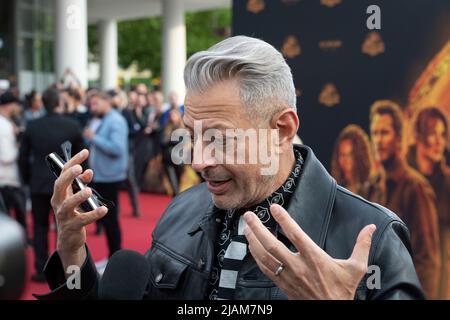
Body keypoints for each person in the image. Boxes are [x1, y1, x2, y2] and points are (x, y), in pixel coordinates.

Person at [39, 36, 422, 300]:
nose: (199, 160)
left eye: (220, 139)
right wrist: (73, 257)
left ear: (282, 129)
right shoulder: (180, 210)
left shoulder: (372, 240)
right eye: (191, 135)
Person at [369, 100, 441, 299]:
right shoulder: (373, 186)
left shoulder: (416, 188)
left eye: (384, 133)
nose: (378, 140)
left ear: (399, 138)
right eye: (374, 133)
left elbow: (427, 262)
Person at [19, 87, 84, 282]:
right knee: (66, 227)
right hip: (64, 184)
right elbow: (82, 158)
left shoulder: (32, 125)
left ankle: (41, 269)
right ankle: (67, 270)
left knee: (39, 227)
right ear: (59, 103)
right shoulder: (72, 125)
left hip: (38, 184)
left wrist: (28, 179)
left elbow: (22, 157)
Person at [407, 106, 450, 299]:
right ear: (418, 136)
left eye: (443, 134)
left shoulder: (447, 183)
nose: (440, 142)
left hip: (439, 280)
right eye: (433, 134)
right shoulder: (403, 180)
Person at [82, 90, 128, 257]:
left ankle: (114, 257)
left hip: (110, 177)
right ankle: (113, 256)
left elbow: (117, 149)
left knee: (110, 220)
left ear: (106, 102)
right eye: (91, 104)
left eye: (95, 104)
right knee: (107, 219)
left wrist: (94, 137)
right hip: (102, 175)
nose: (92, 107)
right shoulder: (103, 119)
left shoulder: (116, 121)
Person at [0, 91, 27, 234]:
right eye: (16, 104)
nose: (18, 108)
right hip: (7, 179)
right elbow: (6, 156)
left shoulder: (6, 123)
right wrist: (19, 147)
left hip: (7, 179)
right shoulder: (3, 125)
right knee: (12, 218)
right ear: (9, 106)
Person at [331, 124, 374, 198]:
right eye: (342, 154)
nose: (345, 160)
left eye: (350, 154)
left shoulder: (372, 188)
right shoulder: (335, 189)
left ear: (359, 155)